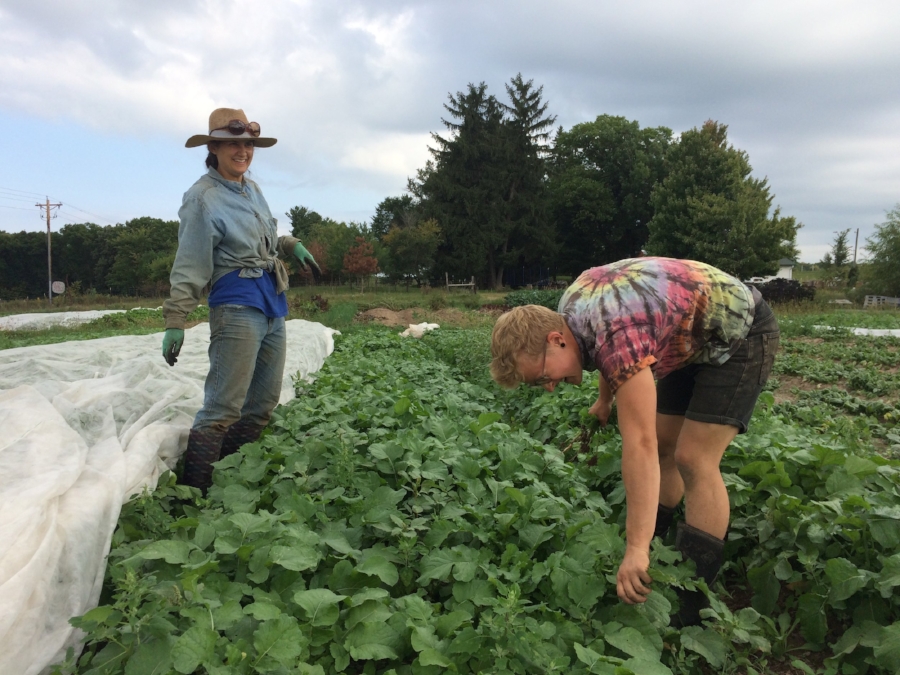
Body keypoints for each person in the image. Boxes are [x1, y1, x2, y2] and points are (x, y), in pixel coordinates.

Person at [490, 257, 779, 625]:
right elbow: (601, 350)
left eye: (542, 377)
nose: (548, 386)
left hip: (741, 332)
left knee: (693, 457)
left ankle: (690, 597)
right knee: (664, 446)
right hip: (690, 336)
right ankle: (656, 546)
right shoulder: (569, 311)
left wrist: (634, 546)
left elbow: (636, 441)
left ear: (555, 340)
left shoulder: (619, 333)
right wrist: (605, 398)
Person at [161, 108, 321, 493]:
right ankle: (195, 494)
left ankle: (226, 478)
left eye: (248, 144)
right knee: (222, 408)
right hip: (236, 305)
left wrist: (290, 244)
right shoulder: (202, 199)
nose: (242, 151)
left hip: (270, 302)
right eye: (233, 143)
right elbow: (190, 263)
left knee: (261, 405)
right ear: (213, 147)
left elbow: (264, 237)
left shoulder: (252, 189)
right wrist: (175, 320)